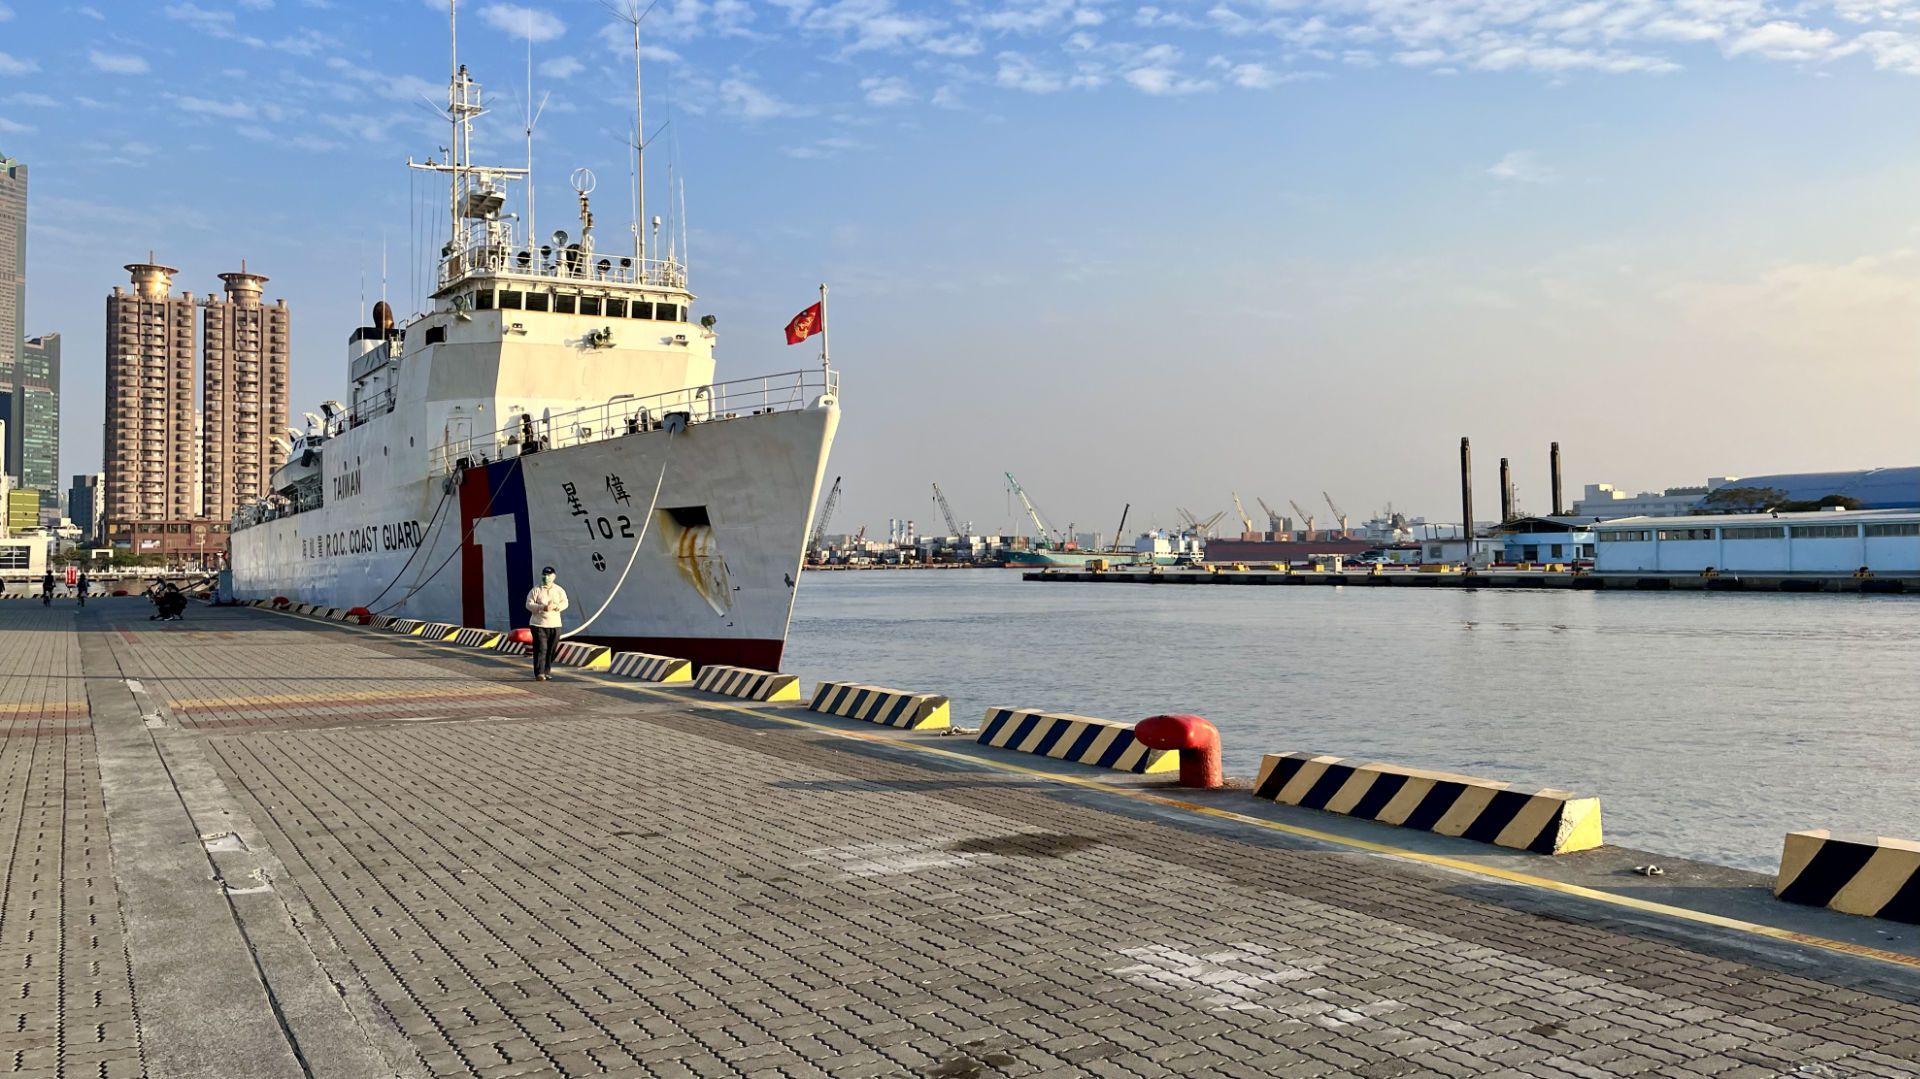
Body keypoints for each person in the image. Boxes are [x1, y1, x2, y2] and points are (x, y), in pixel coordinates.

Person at [524, 566, 568, 680]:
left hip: (555, 624)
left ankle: (546, 671)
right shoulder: (536, 590)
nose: (546, 577)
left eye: (548, 575)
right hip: (539, 624)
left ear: (554, 577)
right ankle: (539, 673)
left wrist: (557, 607)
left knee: (551, 649)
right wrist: (542, 607)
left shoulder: (559, 590)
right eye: (544, 575)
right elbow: (528, 604)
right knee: (541, 648)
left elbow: (565, 602)